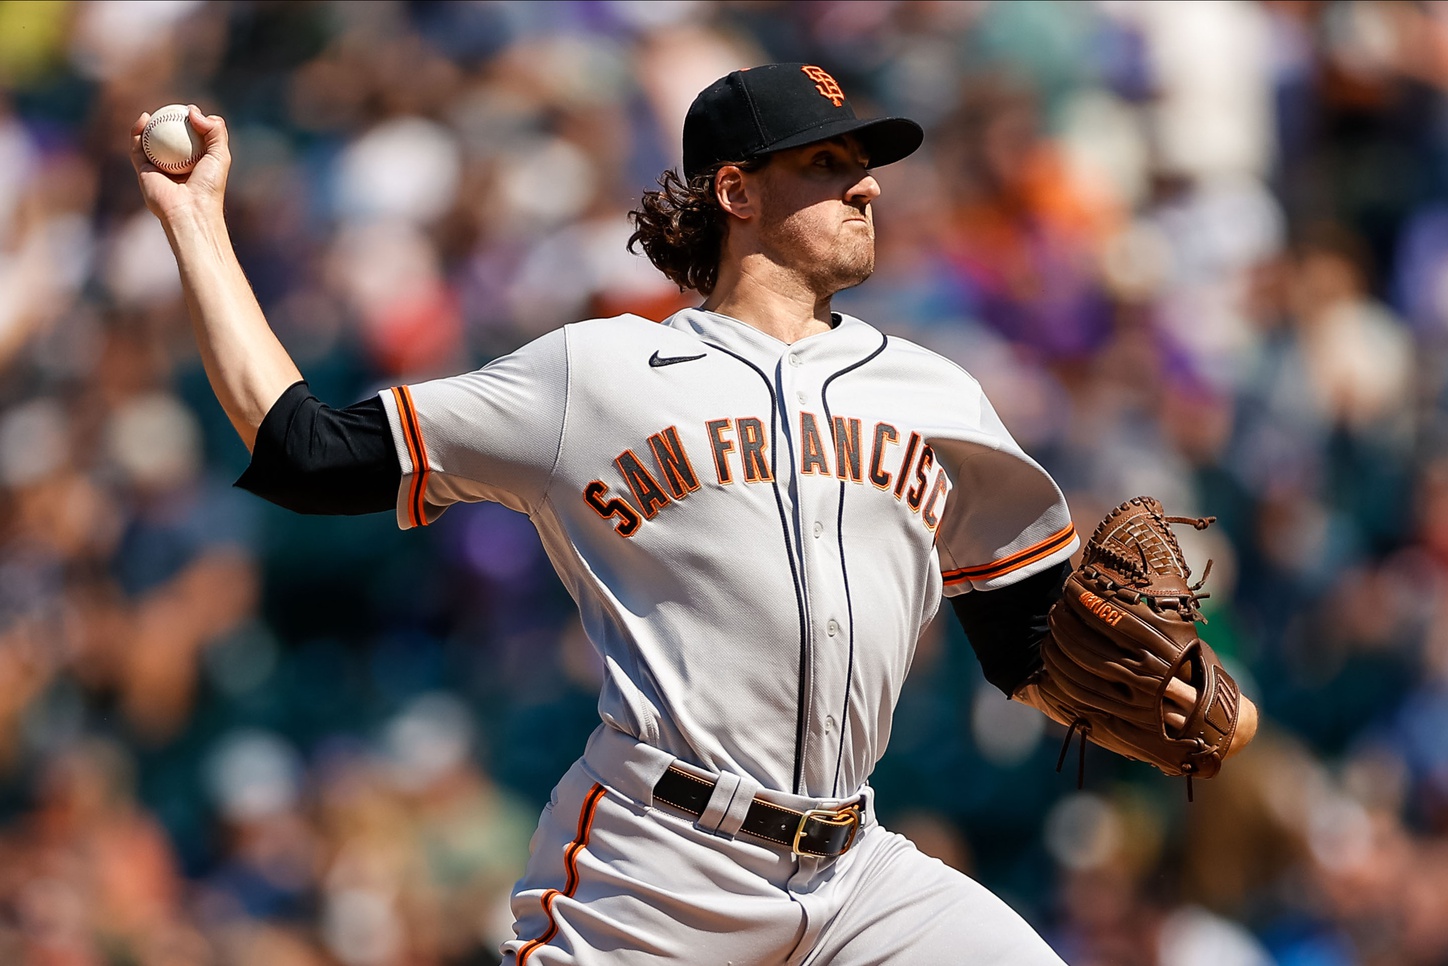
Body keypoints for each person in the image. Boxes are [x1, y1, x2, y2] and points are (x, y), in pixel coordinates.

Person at [132, 63, 1255, 965]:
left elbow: (1024, 645)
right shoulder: (597, 373)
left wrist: (1175, 699)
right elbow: (306, 453)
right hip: (653, 868)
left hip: (857, 871)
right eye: (828, 163)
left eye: (866, 164)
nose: (866, 185)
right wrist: (196, 224)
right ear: (735, 191)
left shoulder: (938, 395)